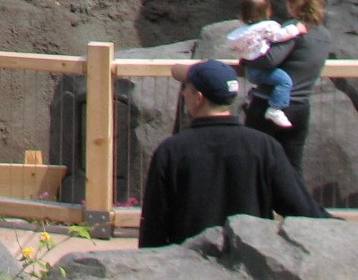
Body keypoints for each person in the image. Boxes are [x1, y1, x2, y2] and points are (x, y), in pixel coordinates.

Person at [139, 59, 328, 247]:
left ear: (198, 97)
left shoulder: (171, 151)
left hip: (190, 265)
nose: (184, 93)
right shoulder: (264, 147)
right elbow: (302, 208)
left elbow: (154, 226)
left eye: (186, 88)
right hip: (250, 265)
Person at [242, 0, 334, 176]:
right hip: (300, 107)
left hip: (269, 106)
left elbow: (269, 60)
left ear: (291, 4)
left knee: (255, 164)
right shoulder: (324, 35)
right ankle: (295, 206)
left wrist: (247, 59)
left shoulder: (293, 29)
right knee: (292, 167)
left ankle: (256, 206)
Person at [227, 0, 307, 130]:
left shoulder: (242, 33)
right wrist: (296, 29)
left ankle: (254, 96)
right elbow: (279, 36)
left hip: (250, 71)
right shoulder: (268, 27)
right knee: (285, 81)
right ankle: (275, 109)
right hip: (262, 70)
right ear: (267, 10)